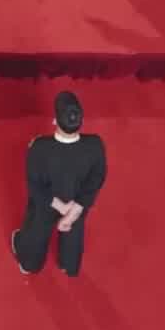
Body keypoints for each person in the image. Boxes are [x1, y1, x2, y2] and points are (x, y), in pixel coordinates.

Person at [10, 91, 107, 279]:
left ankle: (30, 264)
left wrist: (61, 207)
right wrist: (75, 209)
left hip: (48, 204)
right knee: (74, 229)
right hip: (76, 201)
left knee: (37, 228)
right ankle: (68, 264)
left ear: (55, 120)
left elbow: (35, 186)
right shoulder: (95, 145)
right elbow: (97, 177)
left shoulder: (39, 147)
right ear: (81, 121)